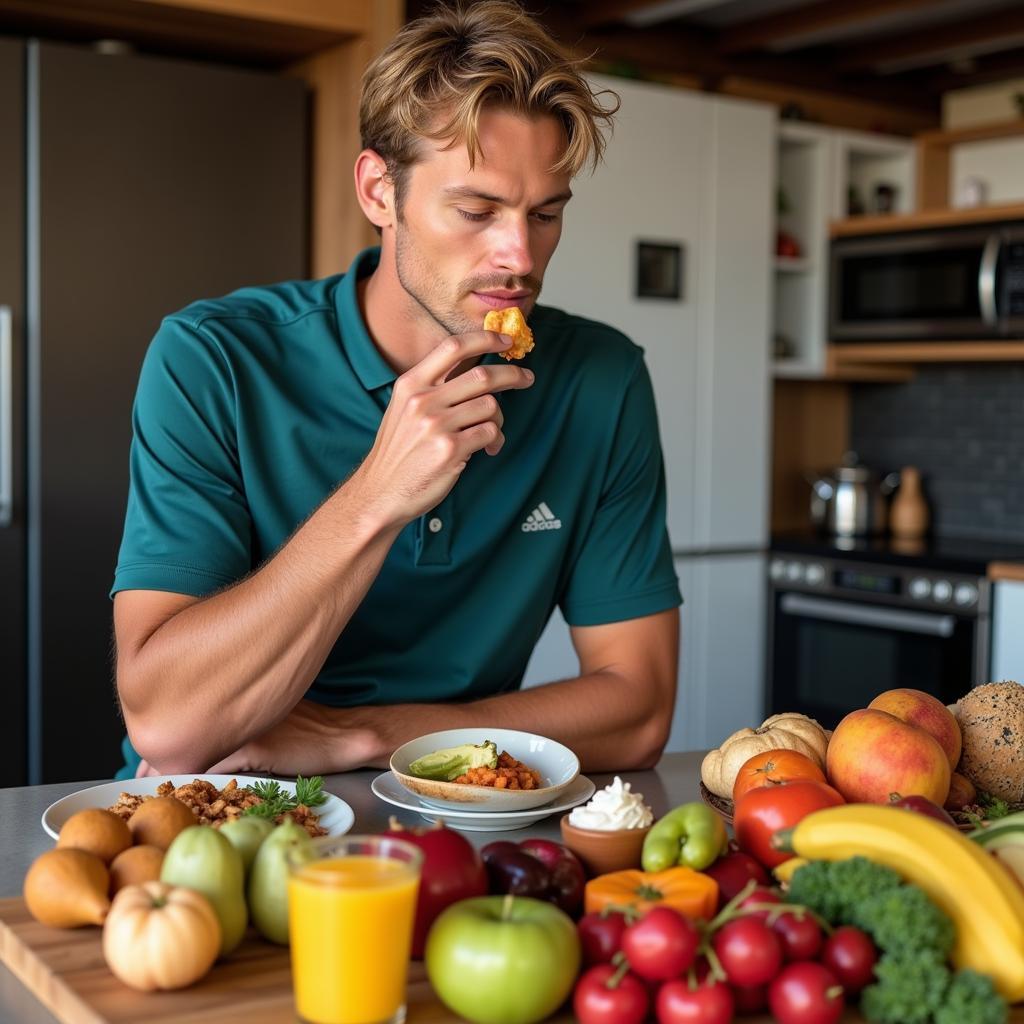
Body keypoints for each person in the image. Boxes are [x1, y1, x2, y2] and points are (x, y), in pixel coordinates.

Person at [112, 0, 682, 780]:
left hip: (462, 804)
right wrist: (379, 493)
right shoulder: (213, 359)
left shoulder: (601, 379)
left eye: (545, 214)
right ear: (380, 192)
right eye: (476, 210)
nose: (519, 255)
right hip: (221, 803)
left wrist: (368, 737)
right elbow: (169, 727)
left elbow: (640, 711)